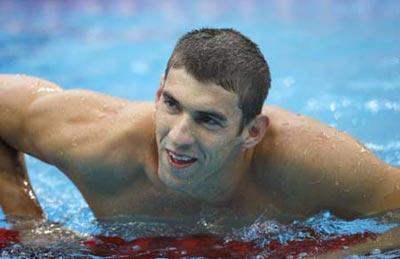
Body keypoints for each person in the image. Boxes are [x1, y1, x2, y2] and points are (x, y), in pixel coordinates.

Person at [0, 28, 399, 225]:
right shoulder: (98, 142)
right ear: (157, 96)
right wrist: (26, 221)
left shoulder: (311, 165)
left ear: (253, 132)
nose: (178, 137)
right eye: (172, 105)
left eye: (208, 119)